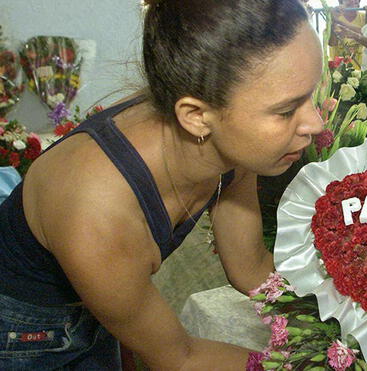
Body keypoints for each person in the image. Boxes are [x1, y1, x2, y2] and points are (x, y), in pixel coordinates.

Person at [0, 0, 323, 369]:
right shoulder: (96, 207)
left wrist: (347, 319)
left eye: (312, 95)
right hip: (22, 334)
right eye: (286, 111)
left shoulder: (232, 143)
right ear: (196, 116)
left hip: (104, 305)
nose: (315, 123)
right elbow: (178, 358)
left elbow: (251, 270)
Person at [329, 0, 367, 68]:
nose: (353, 1)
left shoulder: (365, 16)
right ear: (341, 2)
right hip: (340, 68)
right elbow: (332, 43)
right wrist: (333, 22)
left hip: (362, 66)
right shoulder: (334, 16)